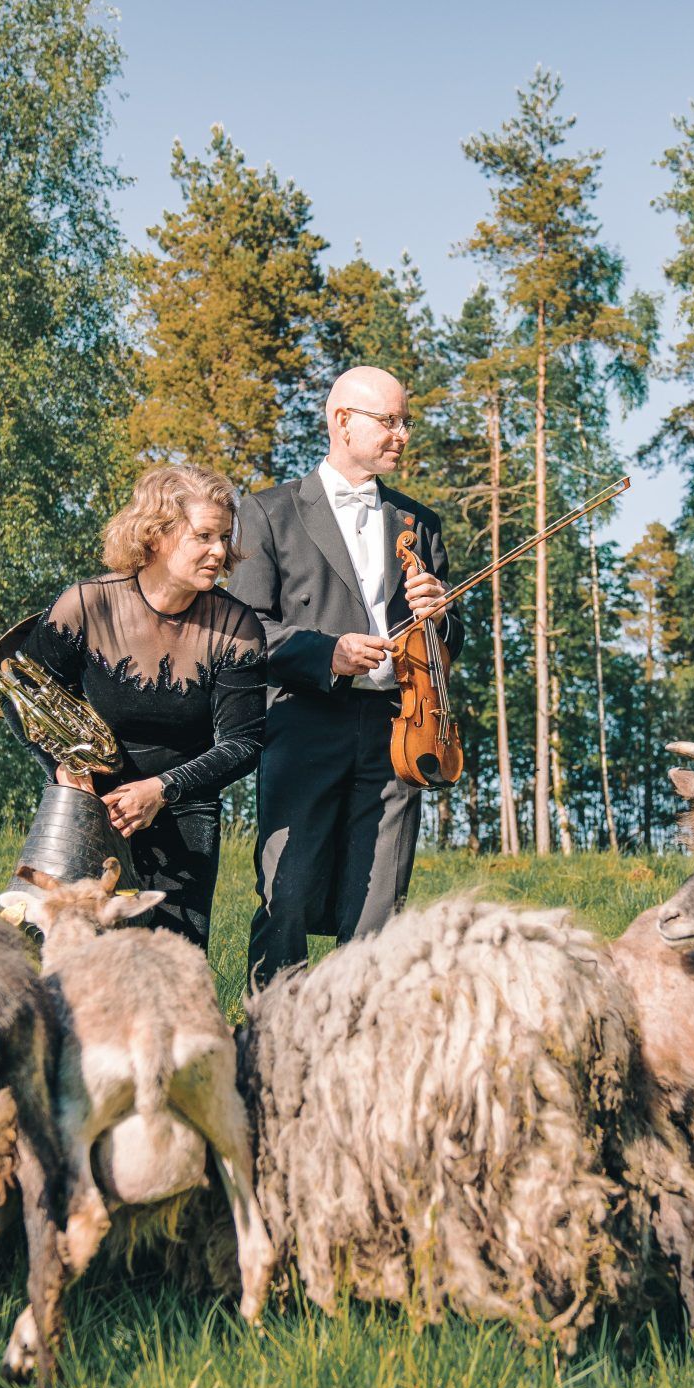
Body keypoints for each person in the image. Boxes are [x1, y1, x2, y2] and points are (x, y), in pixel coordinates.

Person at [229, 365, 455, 989]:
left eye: (406, 421)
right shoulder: (268, 512)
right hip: (302, 721)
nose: (402, 434)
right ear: (341, 421)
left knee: (382, 901)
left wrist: (439, 618)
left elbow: (450, 647)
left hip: (397, 730)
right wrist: (325, 653)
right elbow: (241, 632)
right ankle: (272, 1037)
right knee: (290, 888)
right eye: (389, 421)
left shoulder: (419, 523)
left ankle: (364, 1040)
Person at [19, 463, 263, 951]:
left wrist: (161, 790)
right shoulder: (86, 604)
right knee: (68, 956)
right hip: (86, 807)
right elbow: (19, 690)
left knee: (172, 964)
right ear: (155, 536)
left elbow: (246, 742)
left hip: (185, 807)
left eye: (224, 537)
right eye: (204, 536)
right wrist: (60, 767)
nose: (220, 551)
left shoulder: (239, 626)